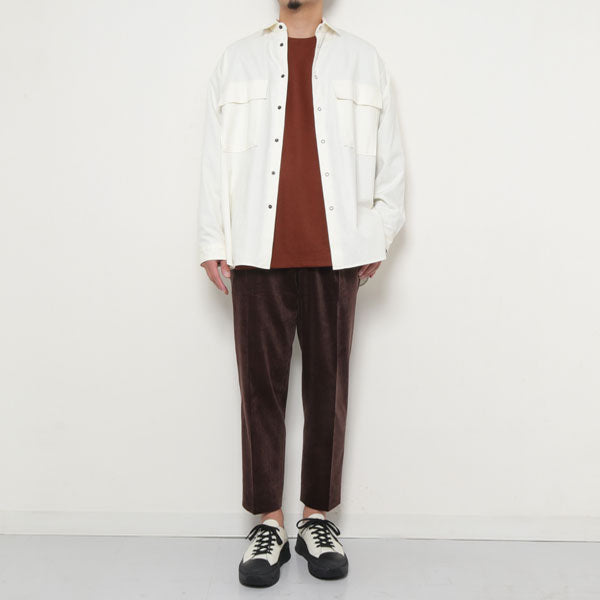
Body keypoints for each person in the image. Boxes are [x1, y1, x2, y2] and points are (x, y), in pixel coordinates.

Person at [197, 0, 405, 588]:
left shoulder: (364, 61)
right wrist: (213, 239)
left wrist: (377, 233)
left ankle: (317, 518)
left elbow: (391, 164)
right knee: (259, 390)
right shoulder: (237, 61)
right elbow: (213, 159)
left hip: (337, 255)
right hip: (255, 252)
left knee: (328, 388)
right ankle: (268, 522)